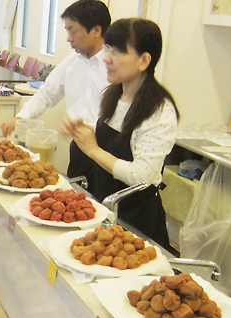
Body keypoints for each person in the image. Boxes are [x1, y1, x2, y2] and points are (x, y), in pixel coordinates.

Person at [62, 18, 179, 249]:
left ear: (144, 60)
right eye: (107, 48)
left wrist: (93, 150)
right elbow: (111, 134)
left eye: (116, 52)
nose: (106, 58)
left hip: (137, 221)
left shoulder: (159, 110)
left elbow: (142, 176)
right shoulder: (115, 94)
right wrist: (85, 129)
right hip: (105, 209)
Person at [1, 0, 110, 176]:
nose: (68, 38)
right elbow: (45, 94)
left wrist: (90, 126)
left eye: (73, 31)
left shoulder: (115, 65)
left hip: (109, 151)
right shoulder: (71, 62)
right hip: (79, 148)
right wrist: (20, 117)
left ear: (96, 30)